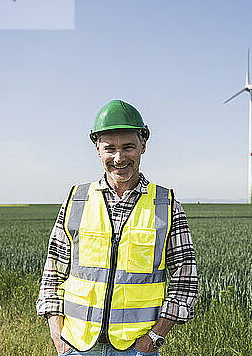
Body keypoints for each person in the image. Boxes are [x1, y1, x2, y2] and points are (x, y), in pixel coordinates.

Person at [36, 100, 198, 356]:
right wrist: (58, 336)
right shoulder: (76, 199)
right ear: (97, 148)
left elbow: (185, 279)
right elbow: (53, 271)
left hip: (136, 349)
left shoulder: (165, 204)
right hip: (76, 346)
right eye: (110, 148)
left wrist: (155, 337)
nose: (119, 158)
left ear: (143, 145)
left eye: (128, 147)